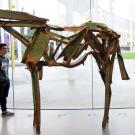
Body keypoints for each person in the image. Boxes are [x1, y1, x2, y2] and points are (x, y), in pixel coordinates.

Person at [0, 43, 14, 117]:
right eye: (4, 48)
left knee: (4, 97)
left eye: (7, 48)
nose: (6, 50)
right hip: (0, 82)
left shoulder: (6, 59)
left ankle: (4, 111)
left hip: (6, 81)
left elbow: (5, 70)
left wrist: (7, 78)